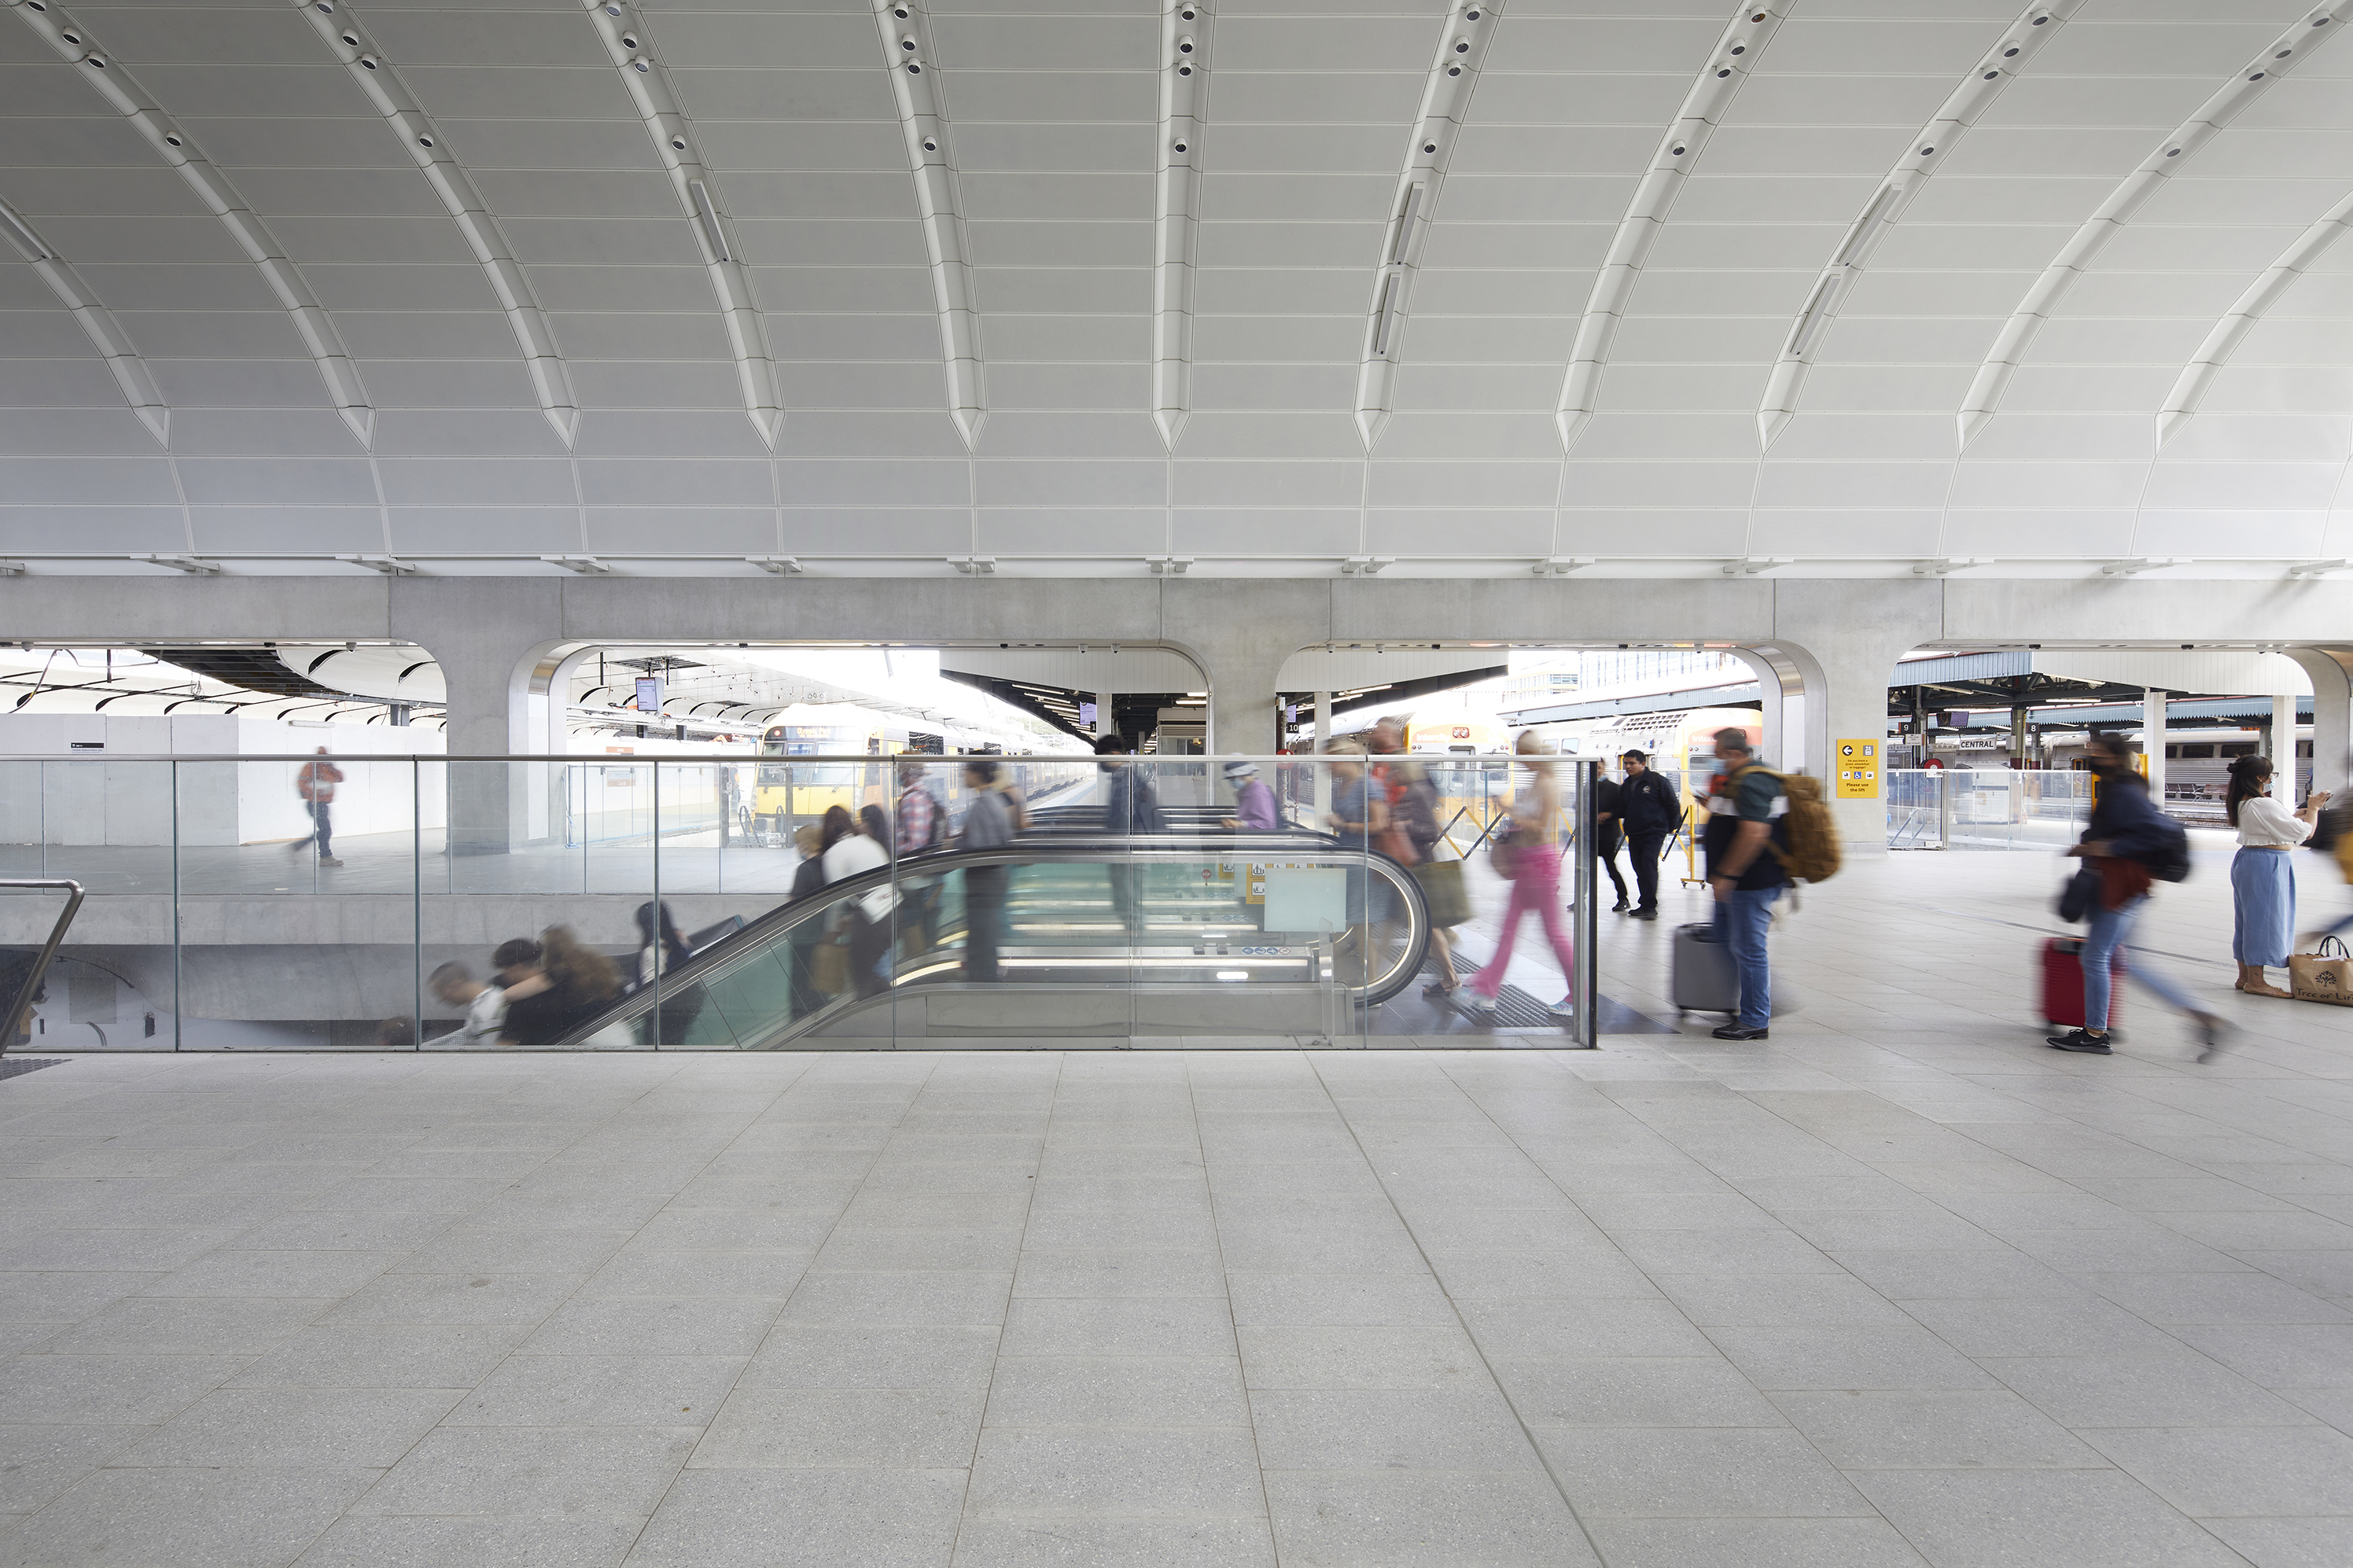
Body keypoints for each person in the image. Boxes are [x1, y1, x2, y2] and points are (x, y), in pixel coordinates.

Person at [2050, 734, 2233, 1060]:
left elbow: (2154, 833)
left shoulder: (2123, 791)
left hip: (2119, 887)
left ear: (2116, 757)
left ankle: (2096, 1033)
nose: (2094, 758)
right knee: (2128, 961)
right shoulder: (2120, 787)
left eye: (2100, 753)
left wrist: (2107, 847)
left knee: (2095, 957)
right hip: (2123, 886)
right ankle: (2205, 1019)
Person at [1460, 731, 1576, 1021]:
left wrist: (1510, 812)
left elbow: (1539, 827)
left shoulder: (1547, 784)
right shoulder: (1537, 781)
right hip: (1529, 862)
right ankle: (1488, 989)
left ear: (1534, 753)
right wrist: (1508, 810)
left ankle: (1580, 995)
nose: (1520, 759)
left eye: (1523, 753)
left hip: (1540, 864)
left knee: (1551, 932)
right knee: (1512, 928)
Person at [1701, 728, 1784, 1041]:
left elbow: (1754, 833)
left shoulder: (1752, 780)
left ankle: (1755, 1018)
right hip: (1739, 881)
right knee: (1728, 940)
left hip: (1750, 882)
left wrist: (1729, 875)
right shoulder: (1740, 779)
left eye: (1718, 756)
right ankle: (1758, 999)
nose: (1715, 761)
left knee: (1748, 949)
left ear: (1734, 754)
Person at [2224, 754, 2328, 999]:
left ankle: (2244, 977)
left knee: (2247, 920)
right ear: (2260, 777)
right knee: (2263, 922)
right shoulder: (2264, 803)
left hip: (2248, 860)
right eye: (2270, 774)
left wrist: (2293, 817)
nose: (2272, 778)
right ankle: (2257, 982)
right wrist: (2314, 809)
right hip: (2267, 863)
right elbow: (2305, 833)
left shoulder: (2241, 801)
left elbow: (2269, 827)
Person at [499, 925, 624, 1046]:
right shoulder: (592, 964)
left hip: (589, 1037)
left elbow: (512, 994)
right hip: (613, 1029)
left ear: (548, 952)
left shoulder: (557, 975)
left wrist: (497, 998)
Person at [1096, 735, 1165, 938]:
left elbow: (1126, 817)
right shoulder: (1125, 776)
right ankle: (1133, 934)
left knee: (1130, 895)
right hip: (1128, 847)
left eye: (1102, 759)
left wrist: (1115, 843)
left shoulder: (1128, 779)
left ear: (1113, 755)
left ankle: (1136, 938)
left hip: (1131, 848)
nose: (1101, 764)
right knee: (1127, 895)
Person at [821, 804, 892, 999]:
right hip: (892, 913)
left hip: (871, 921)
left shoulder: (834, 853)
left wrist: (830, 933)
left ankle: (879, 1007)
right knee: (874, 971)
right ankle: (886, 1004)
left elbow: (837, 900)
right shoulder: (869, 843)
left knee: (863, 978)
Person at [958, 759, 1017, 981]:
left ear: (976, 773)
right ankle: (986, 976)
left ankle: (982, 980)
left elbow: (980, 848)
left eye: (966, 770)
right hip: (994, 880)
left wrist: (955, 846)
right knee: (986, 933)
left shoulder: (983, 805)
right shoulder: (995, 800)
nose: (963, 775)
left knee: (981, 934)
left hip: (984, 882)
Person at [1616, 749, 1680, 920]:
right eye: (1626, 763)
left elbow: (1673, 804)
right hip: (1634, 833)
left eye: (1632, 763)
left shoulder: (1657, 782)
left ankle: (1649, 906)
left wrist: (1671, 827)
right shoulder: (1627, 785)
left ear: (1643, 764)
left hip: (1654, 832)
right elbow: (1622, 808)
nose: (1628, 767)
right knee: (1639, 867)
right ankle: (1645, 903)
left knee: (1648, 865)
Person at [633, 900, 704, 1045]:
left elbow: (650, 991)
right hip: (681, 1015)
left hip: (661, 1020)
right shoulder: (679, 944)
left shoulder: (652, 951)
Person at [894, 760, 946, 954]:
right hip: (923, 878)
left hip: (913, 879)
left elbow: (915, 844)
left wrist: (897, 856)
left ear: (907, 774)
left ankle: (917, 965)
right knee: (924, 928)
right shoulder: (924, 795)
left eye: (899, 771)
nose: (897, 776)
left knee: (913, 929)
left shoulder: (912, 799)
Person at [428, 960, 506, 1047]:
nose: (442, 999)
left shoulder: (486, 1008)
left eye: (441, 992)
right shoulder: (485, 1003)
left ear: (455, 985)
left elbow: (493, 1051)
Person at [289, 747, 344, 867]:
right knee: (325, 830)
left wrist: (331, 767)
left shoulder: (326, 767)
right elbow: (301, 784)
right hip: (314, 803)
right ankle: (325, 857)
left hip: (323, 803)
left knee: (325, 830)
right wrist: (318, 791)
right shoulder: (311, 767)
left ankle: (298, 846)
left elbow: (340, 778)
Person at [1593, 763, 1630, 913]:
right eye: (1594, 767)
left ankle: (1623, 898)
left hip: (1608, 834)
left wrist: (1608, 815)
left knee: (1611, 866)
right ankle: (1581, 898)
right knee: (1585, 869)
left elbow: (1622, 808)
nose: (1597, 770)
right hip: (1591, 833)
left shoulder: (1614, 788)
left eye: (1599, 767)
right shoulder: (1588, 787)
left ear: (1604, 769)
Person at [1220, 758, 1277, 831]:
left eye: (1233, 779)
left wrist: (1239, 824)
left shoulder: (1258, 792)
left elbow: (1267, 824)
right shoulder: (1247, 791)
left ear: (1242, 776)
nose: (1231, 782)